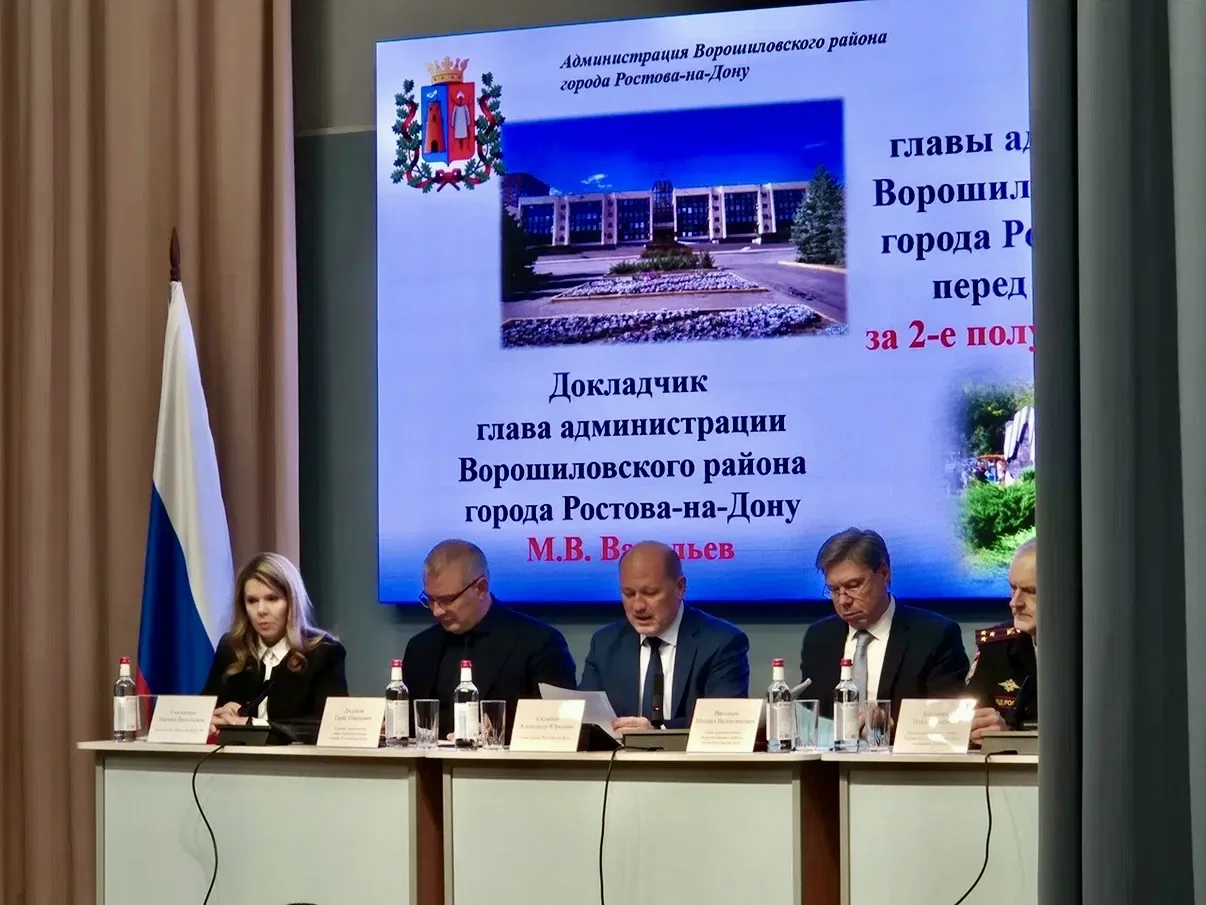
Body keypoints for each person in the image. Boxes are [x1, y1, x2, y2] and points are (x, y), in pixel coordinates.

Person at [403, 540, 577, 739]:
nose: (437, 611)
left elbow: (559, 727)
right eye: (430, 600)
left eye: (447, 600)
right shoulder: (420, 648)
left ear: (481, 588)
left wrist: (497, 730)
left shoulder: (540, 643)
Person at [799, 528, 969, 720]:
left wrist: (888, 727)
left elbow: (948, 721)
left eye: (853, 586)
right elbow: (809, 718)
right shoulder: (819, 637)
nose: (843, 600)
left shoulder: (935, 635)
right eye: (834, 590)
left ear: (884, 573)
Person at [579, 541, 750, 731]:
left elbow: (723, 724)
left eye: (650, 593)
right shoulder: (605, 644)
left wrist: (656, 731)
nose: (638, 606)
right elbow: (586, 720)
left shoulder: (722, 642)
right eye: (628, 594)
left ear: (680, 587)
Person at [203, 552, 347, 734]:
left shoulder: (324, 651)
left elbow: (328, 725)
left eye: (272, 598)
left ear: (291, 602)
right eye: (252, 601)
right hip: (235, 752)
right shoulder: (232, 648)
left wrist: (253, 724)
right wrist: (216, 716)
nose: (261, 610)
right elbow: (203, 711)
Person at [967, 538, 1038, 744]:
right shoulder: (995, 648)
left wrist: (1012, 737)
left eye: (1030, 591)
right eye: (1013, 588)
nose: (1015, 602)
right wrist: (982, 731)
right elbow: (965, 727)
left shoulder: (1097, 651)